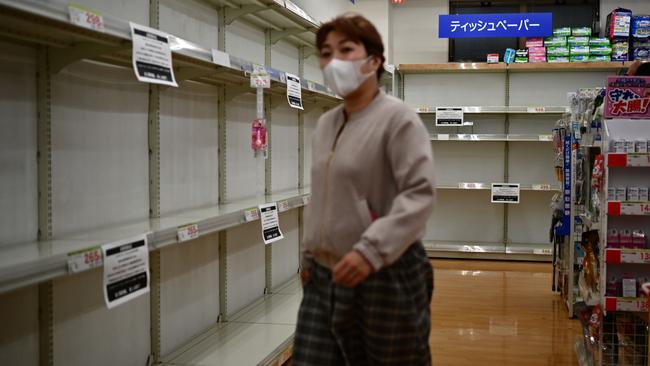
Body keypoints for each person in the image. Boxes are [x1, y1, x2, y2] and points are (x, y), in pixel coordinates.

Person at [293, 13, 436, 366]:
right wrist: (310, 253)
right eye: (326, 53)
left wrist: (370, 251)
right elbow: (324, 193)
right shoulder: (326, 123)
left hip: (387, 272)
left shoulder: (398, 119)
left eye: (345, 49)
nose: (333, 61)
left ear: (373, 61)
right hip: (326, 277)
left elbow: (418, 194)